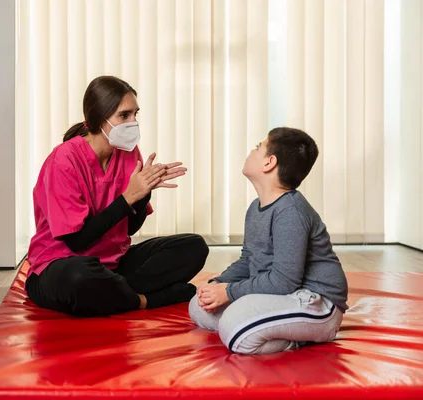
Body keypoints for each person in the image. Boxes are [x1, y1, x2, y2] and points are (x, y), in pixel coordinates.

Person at [25, 75, 209, 317]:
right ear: (99, 118)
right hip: (60, 265)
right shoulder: (64, 160)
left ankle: (112, 292)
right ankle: (144, 300)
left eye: (136, 114)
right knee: (78, 276)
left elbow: (130, 228)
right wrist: (127, 198)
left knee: (194, 246)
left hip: (112, 265)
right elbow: (76, 241)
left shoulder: (130, 154)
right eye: (124, 115)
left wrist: (143, 194)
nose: (133, 122)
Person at [189, 127, 348, 354]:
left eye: (258, 147)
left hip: (316, 302)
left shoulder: (291, 211)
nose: (252, 151)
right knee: (199, 307)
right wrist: (218, 284)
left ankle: (300, 337)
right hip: (282, 294)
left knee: (234, 328)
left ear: (269, 163)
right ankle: (265, 326)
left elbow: (285, 281)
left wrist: (230, 292)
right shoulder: (256, 208)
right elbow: (248, 260)